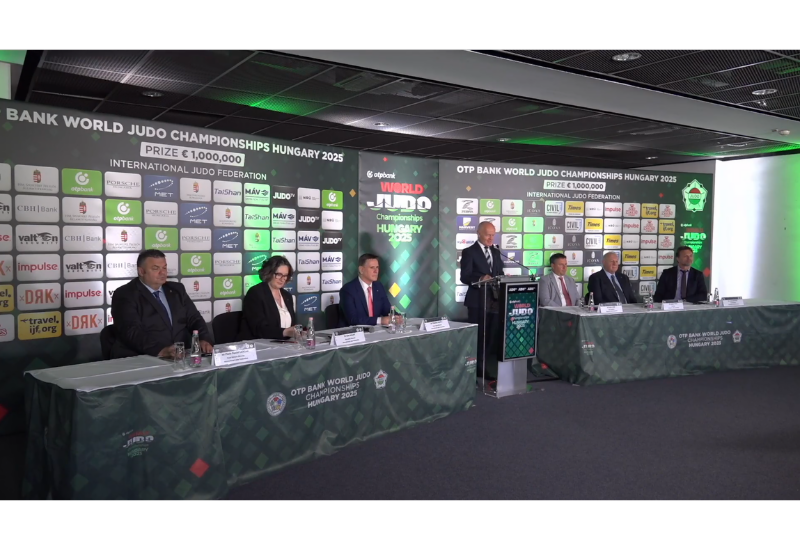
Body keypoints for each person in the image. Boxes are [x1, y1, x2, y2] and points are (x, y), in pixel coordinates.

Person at [110, 249, 213, 359]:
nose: (163, 273)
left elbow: (194, 318)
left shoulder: (177, 289)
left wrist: (203, 339)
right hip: (144, 357)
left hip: (181, 357)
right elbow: (131, 331)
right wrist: (161, 350)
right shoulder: (125, 294)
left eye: (164, 268)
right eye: (156, 268)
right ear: (141, 271)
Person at [460, 221, 505, 380]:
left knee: (491, 336)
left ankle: (486, 365)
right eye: (487, 235)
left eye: (493, 235)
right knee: (479, 336)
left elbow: (499, 272)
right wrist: (480, 278)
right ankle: (477, 368)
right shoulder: (469, 252)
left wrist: (504, 278)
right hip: (477, 301)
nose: (491, 238)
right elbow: (465, 276)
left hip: (495, 301)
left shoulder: (496, 252)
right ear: (478, 233)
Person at [239, 255, 299, 340]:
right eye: (279, 275)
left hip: (283, 344)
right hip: (257, 344)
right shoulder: (255, 293)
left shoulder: (287, 295)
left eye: (285, 275)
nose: (282, 279)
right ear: (269, 273)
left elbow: (292, 325)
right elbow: (258, 328)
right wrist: (285, 332)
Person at [339, 253, 396, 326]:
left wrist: (397, 317)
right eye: (372, 267)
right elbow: (353, 319)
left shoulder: (378, 286)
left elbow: (387, 309)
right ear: (361, 270)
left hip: (375, 331)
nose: (376, 271)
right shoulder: (348, 290)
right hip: (354, 332)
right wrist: (380, 320)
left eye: (377, 267)